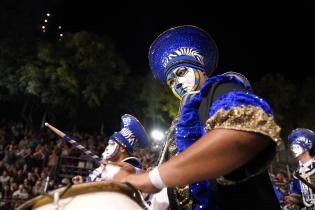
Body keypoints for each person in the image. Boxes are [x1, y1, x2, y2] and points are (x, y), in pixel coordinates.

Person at [113, 25, 282, 210]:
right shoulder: (179, 122)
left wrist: (151, 179)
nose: (177, 83)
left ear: (201, 70)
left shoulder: (220, 89)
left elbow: (248, 131)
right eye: (171, 82)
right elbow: (181, 174)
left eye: (181, 72)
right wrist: (139, 173)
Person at [72, 114, 148, 184]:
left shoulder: (129, 171)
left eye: (111, 144)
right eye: (108, 144)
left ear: (122, 149)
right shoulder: (105, 166)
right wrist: (82, 183)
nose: (107, 148)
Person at [286, 128, 315, 209]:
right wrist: (292, 199)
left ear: (305, 147)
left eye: (296, 147)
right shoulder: (297, 172)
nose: (293, 150)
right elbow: (297, 193)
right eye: (292, 147)